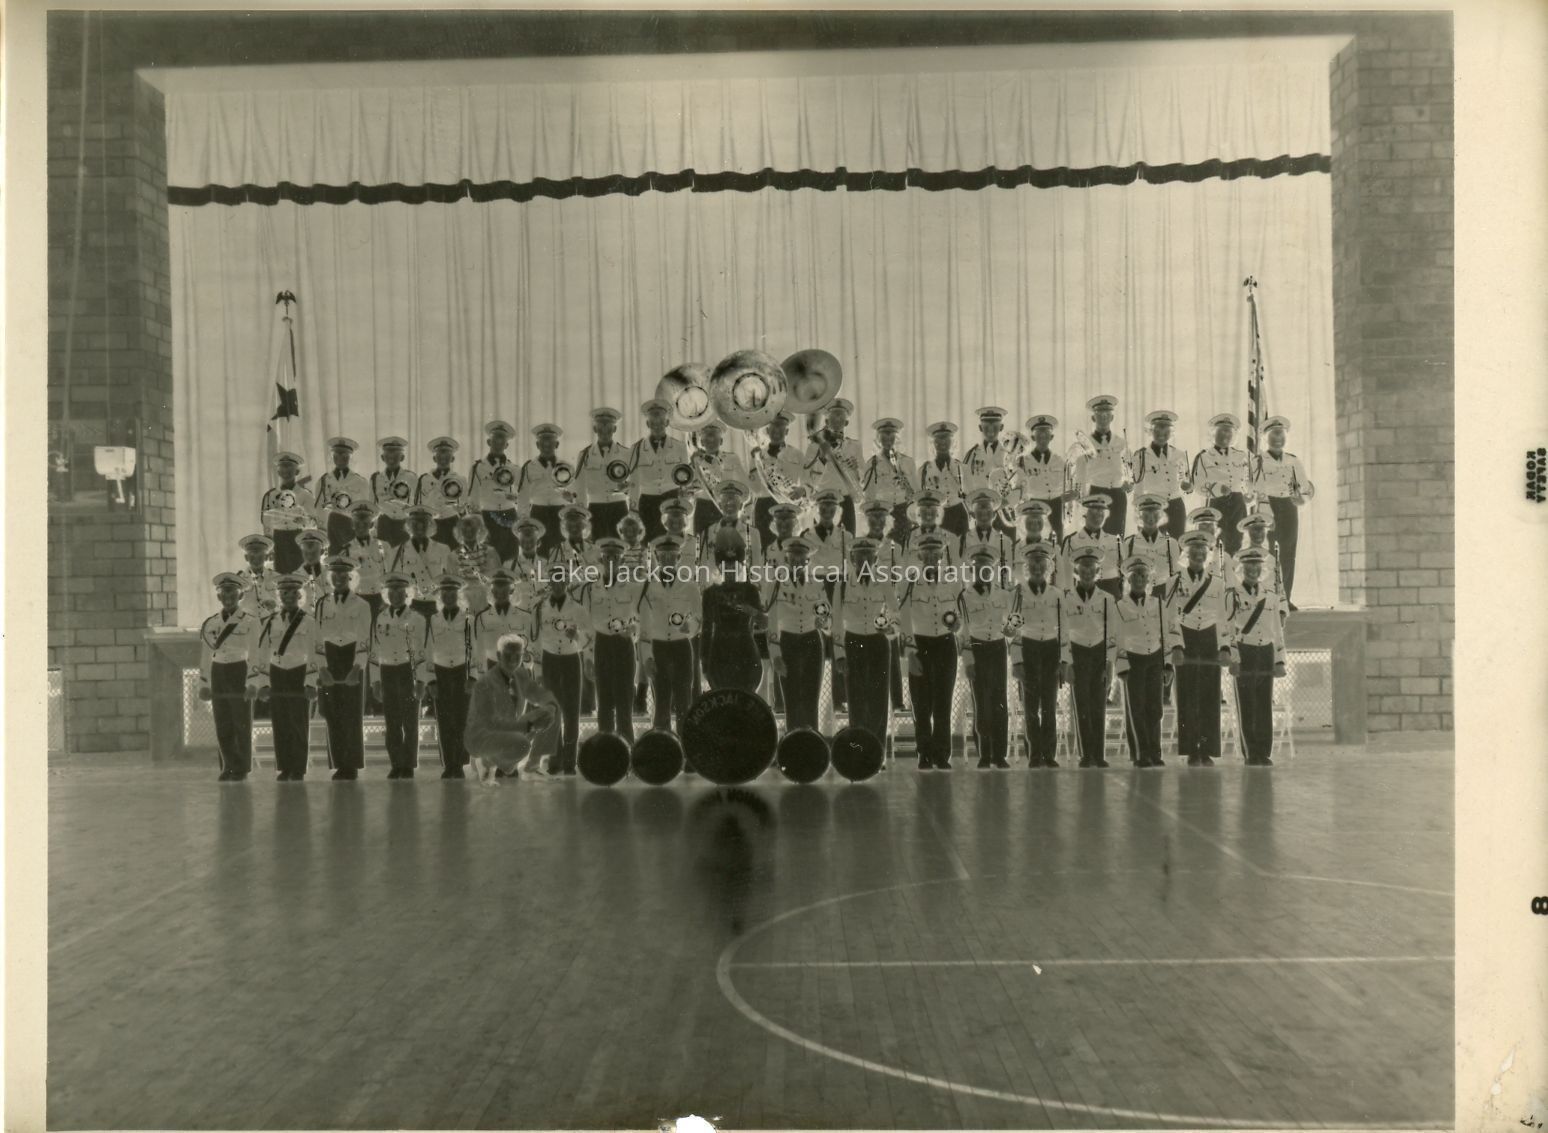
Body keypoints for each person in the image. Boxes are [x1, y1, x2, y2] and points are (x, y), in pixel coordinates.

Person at [1166, 530, 1234, 767]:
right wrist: (1176, 645)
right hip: (1185, 639)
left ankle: (1206, 749)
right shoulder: (1174, 581)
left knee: (1209, 697)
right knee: (1187, 697)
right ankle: (1191, 750)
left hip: (1209, 639)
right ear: (1186, 553)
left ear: (1208, 554)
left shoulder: (1218, 583)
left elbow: (1223, 617)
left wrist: (1224, 646)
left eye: (1202, 551)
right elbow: (1171, 616)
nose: (1198, 554)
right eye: (1193, 550)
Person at [897, 532, 964, 770]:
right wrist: (910, 651)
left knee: (943, 701)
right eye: (926, 553)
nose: (931, 558)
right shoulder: (909, 582)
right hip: (921, 644)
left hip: (945, 644)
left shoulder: (952, 581)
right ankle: (924, 753)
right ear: (919, 555)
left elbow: (960, 614)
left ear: (941, 555)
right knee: (921, 702)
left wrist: (958, 626)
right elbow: (904, 618)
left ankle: (942, 754)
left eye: (936, 553)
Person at [465, 634, 561, 784]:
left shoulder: (520, 675)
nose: (513, 660)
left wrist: (550, 705)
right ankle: (485, 763)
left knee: (551, 712)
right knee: (522, 745)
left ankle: (531, 768)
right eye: (508, 654)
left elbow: (538, 693)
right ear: (498, 655)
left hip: (508, 734)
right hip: (485, 739)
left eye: (518, 655)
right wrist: (530, 726)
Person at [252, 573, 319, 781]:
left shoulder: (309, 622)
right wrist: (263, 684)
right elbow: (263, 654)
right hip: (277, 673)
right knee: (280, 723)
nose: (288, 597)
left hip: (299, 673)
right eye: (284, 593)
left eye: (292, 593)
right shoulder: (270, 622)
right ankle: (284, 767)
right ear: (279, 596)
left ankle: (298, 768)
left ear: (300, 595)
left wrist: (310, 683)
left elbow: (314, 653)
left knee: (298, 723)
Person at [833, 536, 897, 749]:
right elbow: (836, 622)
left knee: (879, 699)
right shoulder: (842, 584)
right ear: (853, 559)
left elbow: (896, 614)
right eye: (860, 557)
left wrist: (890, 628)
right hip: (853, 642)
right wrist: (840, 655)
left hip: (878, 643)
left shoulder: (884, 582)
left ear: (876, 559)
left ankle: (877, 752)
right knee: (856, 699)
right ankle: (859, 750)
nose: (865, 561)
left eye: (869, 557)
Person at [1114, 555, 1179, 768]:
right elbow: (1118, 638)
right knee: (1137, 707)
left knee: (1155, 708)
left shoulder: (1158, 604)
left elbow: (1166, 635)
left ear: (1149, 579)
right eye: (1135, 576)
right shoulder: (1120, 606)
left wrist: (1167, 664)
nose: (1139, 580)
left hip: (1155, 658)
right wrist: (1122, 666)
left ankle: (1155, 752)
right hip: (1133, 659)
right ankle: (1141, 753)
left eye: (1143, 575)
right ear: (1128, 580)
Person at [313, 554, 373, 780]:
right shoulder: (321, 604)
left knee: (351, 714)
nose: (338, 578)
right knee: (332, 713)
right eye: (334, 574)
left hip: (351, 658)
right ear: (329, 577)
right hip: (330, 659)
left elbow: (365, 639)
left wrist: (357, 669)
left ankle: (352, 765)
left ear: (350, 577)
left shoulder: (363, 605)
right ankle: (338, 763)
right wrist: (322, 668)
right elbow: (317, 639)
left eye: (343, 574)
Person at [1226, 547, 1288, 765]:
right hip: (1245, 651)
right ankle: (1251, 752)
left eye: (1256, 565)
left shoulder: (1271, 596)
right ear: (1241, 569)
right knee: (1247, 703)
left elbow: (1277, 631)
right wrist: (1234, 658)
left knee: (1264, 704)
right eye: (1248, 565)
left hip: (1265, 652)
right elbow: (1228, 629)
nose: (1253, 569)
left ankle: (1264, 751)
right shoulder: (1233, 595)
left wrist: (1279, 660)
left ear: (1262, 569)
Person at [199, 572, 261, 781]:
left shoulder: (250, 622)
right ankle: (228, 766)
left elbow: (255, 655)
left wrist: (252, 683)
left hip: (239, 671)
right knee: (223, 722)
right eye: (224, 593)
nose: (228, 598)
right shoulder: (210, 623)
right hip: (218, 672)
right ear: (219, 596)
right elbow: (206, 656)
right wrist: (204, 684)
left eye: (233, 593)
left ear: (240, 595)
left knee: (241, 723)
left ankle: (241, 768)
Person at [1009, 544, 1067, 768]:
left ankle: (1049, 754)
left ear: (1048, 567)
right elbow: (1012, 630)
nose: (1037, 568)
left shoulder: (1057, 594)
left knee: (1050, 705)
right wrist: (1017, 660)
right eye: (1033, 564)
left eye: (1042, 564)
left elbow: (1064, 629)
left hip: (1051, 651)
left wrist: (1063, 660)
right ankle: (1034, 753)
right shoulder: (1018, 593)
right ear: (1026, 567)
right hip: (1029, 650)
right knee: (1031, 707)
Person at [638, 535, 701, 738]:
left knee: (684, 701)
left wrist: (690, 627)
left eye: (671, 556)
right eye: (662, 556)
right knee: (661, 703)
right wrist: (647, 658)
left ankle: (685, 747)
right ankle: (662, 747)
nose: (667, 560)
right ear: (657, 557)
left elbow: (698, 617)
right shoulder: (647, 586)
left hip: (681, 647)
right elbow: (643, 625)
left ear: (678, 557)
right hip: (658, 648)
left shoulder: (689, 585)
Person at [765, 534, 829, 733]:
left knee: (811, 699)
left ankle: (813, 742)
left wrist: (824, 621)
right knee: (791, 700)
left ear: (807, 560)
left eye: (801, 558)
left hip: (812, 641)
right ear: (787, 558)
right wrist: (776, 656)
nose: (797, 562)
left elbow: (826, 612)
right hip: (788, 641)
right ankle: (793, 743)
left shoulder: (816, 583)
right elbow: (772, 623)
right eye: (793, 558)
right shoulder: (776, 584)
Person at [534, 565, 592, 775]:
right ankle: (554, 760)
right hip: (550, 660)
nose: (558, 584)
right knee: (552, 711)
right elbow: (536, 641)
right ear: (550, 582)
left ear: (567, 582)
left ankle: (570, 761)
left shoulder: (577, 609)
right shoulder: (540, 608)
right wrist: (538, 672)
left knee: (571, 711)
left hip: (570, 660)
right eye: (554, 580)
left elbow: (589, 637)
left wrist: (577, 636)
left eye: (561, 580)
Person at [370, 570, 429, 778]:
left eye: (399, 591)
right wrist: (375, 681)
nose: (395, 595)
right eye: (391, 591)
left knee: (410, 721)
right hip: (387, 671)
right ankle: (396, 764)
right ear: (386, 594)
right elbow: (374, 651)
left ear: (407, 593)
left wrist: (421, 680)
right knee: (392, 721)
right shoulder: (380, 617)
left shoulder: (417, 619)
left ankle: (409, 765)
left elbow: (422, 652)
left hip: (408, 671)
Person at [1250, 415, 1313, 609]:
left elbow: (1306, 487)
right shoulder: (1258, 461)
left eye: (1282, 434)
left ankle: (1285, 598)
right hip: (1267, 507)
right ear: (1265, 437)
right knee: (1268, 553)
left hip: (1288, 507)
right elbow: (1253, 488)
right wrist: (1264, 510)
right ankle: (1266, 597)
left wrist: (1303, 499)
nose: (1278, 438)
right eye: (1273, 435)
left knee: (1288, 552)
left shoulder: (1293, 461)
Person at [585, 538, 644, 744]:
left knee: (624, 703)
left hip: (623, 646)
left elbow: (640, 619)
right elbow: (588, 624)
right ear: (601, 559)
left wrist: (633, 632)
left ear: (622, 560)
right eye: (607, 556)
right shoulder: (591, 588)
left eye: (616, 557)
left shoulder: (632, 588)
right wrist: (588, 656)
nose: (611, 560)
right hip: (601, 645)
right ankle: (606, 749)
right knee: (604, 704)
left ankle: (627, 750)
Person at [1064, 546, 1118, 767]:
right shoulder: (1066, 598)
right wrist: (1068, 663)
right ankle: (1086, 754)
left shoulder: (1107, 599)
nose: (1087, 572)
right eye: (1083, 568)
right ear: (1076, 571)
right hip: (1077, 655)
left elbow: (1112, 634)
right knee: (1082, 704)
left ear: (1098, 572)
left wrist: (1109, 663)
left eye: (1091, 568)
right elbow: (1063, 634)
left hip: (1099, 654)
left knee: (1098, 705)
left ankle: (1099, 754)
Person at [961, 543, 1013, 769]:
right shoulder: (965, 596)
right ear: (972, 570)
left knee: (1000, 701)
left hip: (998, 648)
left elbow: (1012, 623)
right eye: (978, 567)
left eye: (987, 568)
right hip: (977, 648)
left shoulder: (1004, 594)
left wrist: (1011, 631)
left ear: (993, 570)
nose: (983, 571)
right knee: (981, 701)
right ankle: (984, 753)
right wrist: (968, 660)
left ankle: (999, 755)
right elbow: (963, 631)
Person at [700, 533, 764, 693]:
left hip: (746, 654)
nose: (729, 570)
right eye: (725, 566)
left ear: (740, 566)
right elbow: (706, 629)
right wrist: (705, 662)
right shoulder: (710, 593)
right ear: (719, 567)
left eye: (734, 566)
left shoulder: (751, 591)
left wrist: (753, 611)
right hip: (719, 655)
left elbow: (764, 623)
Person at [426, 574, 474, 779]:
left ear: (458, 595)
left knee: (462, 718)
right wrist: (431, 680)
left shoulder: (468, 619)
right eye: (444, 593)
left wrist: (472, 677)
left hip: (462, 671)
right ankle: (449, 764)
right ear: (440, 596)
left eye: (452, 593)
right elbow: (428, 650)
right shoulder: (433, 620)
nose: (448, 596)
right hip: (441, 672)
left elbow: (474, 649)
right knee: (445, 719)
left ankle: (460, 763)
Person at [629, 399, 690, 541]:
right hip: (647, 501)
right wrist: (633, 508)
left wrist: (684, 502)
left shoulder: (679, 447)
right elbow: (634, 481)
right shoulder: (637, 449)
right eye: (653, 422)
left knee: (673, 541)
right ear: (648, 424)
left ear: (667, 423)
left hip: (672, 499)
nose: (657, 426)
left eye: (661, 422)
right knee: (648, 541)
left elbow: (685, 480)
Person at [1191, 413, 1251, 554]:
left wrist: (1249, 495)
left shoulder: (1242, 456)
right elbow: (1197, 484)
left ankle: (1232, 568)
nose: (1226, 435)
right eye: (1222, 431)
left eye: (1229, 432)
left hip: (1238, 504)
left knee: (1237, 543)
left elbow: (1250, 481)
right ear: (1214, 433)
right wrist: (1217, 488)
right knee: (1217, 544)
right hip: (1216, 503)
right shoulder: (1204, 457)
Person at [749, 411, 808, 551]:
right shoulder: (757, 455)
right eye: (773, 428)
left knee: (789, 550)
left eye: (781, 428)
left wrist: (802, 490)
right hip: (764, 506)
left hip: (787, 506)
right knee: (764, 549)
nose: (777, 431)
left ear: (787, 431)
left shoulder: (797, 455)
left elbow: (807, 481)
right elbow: (755, 488)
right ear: (767, 431)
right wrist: (757, 461)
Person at [1072, 395, 1131, 536]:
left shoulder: (1121, 443)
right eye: (1100, 414)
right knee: (1095, 536)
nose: (1104, 417)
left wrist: (1129, 483)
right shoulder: (1085, 444)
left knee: (1117, 538)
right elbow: (1080, 475)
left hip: (1118, 495)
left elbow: (1129, 469)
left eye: (1107, 414)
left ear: (1112, 418)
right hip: (1096, 494)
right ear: (1093, 418)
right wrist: (1082, 500)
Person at [803, 397, 862, 532]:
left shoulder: (855, 445)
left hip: (846, 501)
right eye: (833, 416)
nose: (837, 419)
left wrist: (856, 468)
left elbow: (864, 477)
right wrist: (822, 458)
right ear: (826, 421)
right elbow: (807, 477)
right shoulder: (814, 445)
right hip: (823, 501)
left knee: (848, 541)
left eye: (841, 416)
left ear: (846, 422)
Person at [1130, 410, 1193, 539]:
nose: (1161, 434)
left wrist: (1188, 488)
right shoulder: (1141, 456)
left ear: (1172, 432)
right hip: (1153, 507)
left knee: (1177, 544)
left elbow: (1187, 485)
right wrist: (1139, 515)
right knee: (1153, 544)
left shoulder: (1180, 455)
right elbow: (1138, 489)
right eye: (1157, 430)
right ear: (1150, 431)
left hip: (1176, 506)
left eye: (1166, 431)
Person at [1016, 414, 1076, 541]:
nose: (1043, 437)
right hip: (1035, 508)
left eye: (1046, 434)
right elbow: (1019, 489)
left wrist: (1071, 495)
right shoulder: (1023, 462)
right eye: (1039, 434)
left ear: (1051, 437)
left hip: (1057, 507)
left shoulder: (1060, 461)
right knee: (1036, 543)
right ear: (1033, 437)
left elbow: (1068, 485)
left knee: (1057, 543)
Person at [575, 407, 631, 540]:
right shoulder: (585, 455)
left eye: (608, 428)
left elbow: (635, 482)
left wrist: (627, 488)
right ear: (595, 429)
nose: (604, 431)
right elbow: (580, 488)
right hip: (595, 508)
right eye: (600, 427)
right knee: (596, 546)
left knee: (620, 545)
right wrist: (583, 517)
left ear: (614, 429)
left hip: (619, 507)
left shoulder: (626, 453)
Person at [467, 419, 519, 560]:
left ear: (506, 445)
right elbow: (473, 497)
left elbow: (523, 495)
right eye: (495, 439)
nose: (498, 443)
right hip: (487, 517)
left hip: (509, 516)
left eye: (502, 441)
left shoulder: (514, 468)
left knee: (510, 558)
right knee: (488, 560)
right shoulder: (478, 467)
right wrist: (478, 523)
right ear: (489, 442)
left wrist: (513, 497)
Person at [860, 417, 917, 543]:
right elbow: (869, 495)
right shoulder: (872, 464)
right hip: (883, 513)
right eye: (884, 436)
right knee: (885, 549)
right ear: (878, 439)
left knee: (904, 548)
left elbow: (916, 492)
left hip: (904, 512)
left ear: (897, 438)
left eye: (892, 436)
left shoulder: (908, 462)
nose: (888, 440)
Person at [516, 423, 570, 553]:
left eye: (550, 441)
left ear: (556, 444)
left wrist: (570, 498)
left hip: (559, 512)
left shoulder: (566, 466)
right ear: (537, 445)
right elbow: (523, 495)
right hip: (538, 512)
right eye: (543, 441)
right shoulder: (529, 467)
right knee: (540, 551)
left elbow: (573, 493)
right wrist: (524, 519)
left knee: (560, 551)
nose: (547, 445)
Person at [389, 506, 452, 619]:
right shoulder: (398, 551)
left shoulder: (443, 549)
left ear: (430, 525)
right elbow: (395, 583)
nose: (420, 527)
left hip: (437, 606)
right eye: (415, 523)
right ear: (409, 525)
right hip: (410, 606)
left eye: (424, 523)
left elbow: (450, 581)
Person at [688, 421, 749, 536]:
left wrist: (741, 509)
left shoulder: (732, 459)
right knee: (702, 543)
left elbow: (745, 485)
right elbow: (689, 489)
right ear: (702, 442)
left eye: (715, 437)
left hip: (727, 506)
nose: (711, 440)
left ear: (721, 441)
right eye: (707, 437)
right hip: (702, 507)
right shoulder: (695, 461)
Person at [314, 437, 370, 554]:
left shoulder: (360, 482)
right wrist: (322, 534)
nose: (340, 459)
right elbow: (319, 509)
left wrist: (363, 534)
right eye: (337, 455)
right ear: (333, 457)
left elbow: (366, 509)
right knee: (334, 562)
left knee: (353, 560)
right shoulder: (324, 481)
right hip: (331, 531)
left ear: (350, 457)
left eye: (345, 455)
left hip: (352, 529)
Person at [1061, 495, 1123, 598]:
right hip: (1084, 591)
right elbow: (1066, 575)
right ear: (1084, 513)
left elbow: (1124, 572)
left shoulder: (1115, 540)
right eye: (1094, 510)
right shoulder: (1072, 541)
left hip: (1112, 591)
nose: (1099, 514)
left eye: (1101, 511)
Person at [1121, 494, 1181, 597]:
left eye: (1155, 513)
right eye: (1146, 513)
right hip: (1138, 594)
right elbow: (1124, 576)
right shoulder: (1129, 543)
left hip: (1164, 594)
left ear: (1161, 515)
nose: (1151, 517)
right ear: (1139, 515)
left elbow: (1176, 577)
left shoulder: (1171, 544)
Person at [260, 451, 312, 572]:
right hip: (278, 540)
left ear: (297, 471)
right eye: (282, 467)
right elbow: (267, 526)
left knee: (299, 575)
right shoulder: (270, 495)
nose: (286, 471)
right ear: (278, 472)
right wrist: (269, 548)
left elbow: (314, 521)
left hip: (298, 539)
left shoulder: (306, 495)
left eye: (290, 467)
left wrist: (304, 522)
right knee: (280, 576)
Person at [473, 568, 530, 671]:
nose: (500, 594)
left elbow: (530, 652)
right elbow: (480, 650)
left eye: (504, 590)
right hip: (492, 668)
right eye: (496, 590)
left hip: (517, 669)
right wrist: (483, 675)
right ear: (492, 591)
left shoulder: (525, 617)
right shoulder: (482, 618)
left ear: (511, 590)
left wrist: (528, 661)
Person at [1235, 513, 1289, 623]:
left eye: (1262, 531)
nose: (1259, 534)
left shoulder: (1272, 560)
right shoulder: (1237, 559)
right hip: (1245, 611)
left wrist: (1282, 611)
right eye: (1255, 531)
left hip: (1269, 612)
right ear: (1248, 533)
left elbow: (1280, 589)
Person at [918, 421, 969, 537]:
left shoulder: (962, 468)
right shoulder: (924, 470)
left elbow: (969, 496)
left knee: (961, 547)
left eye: (946, 439)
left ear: (952, 442)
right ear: (933, 443)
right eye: (939, 440)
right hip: (936, 515)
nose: (943, 443)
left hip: (959, 515)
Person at [962, 406, 1018, 509]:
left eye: (995, 425)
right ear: (980, 427)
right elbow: (965, 484)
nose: (990, 430)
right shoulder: (972, 454)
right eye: (986, 426)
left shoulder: (1010, 455)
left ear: (1001, 427)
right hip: (980, 509)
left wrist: (1006, 503)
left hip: (1003, 509)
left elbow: (1019, 486)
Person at [416, 436, 465, 547]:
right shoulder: (424, 479)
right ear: (434, 458)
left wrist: (461, 511)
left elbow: (465, 509)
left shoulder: (460, 480)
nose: (443, 458)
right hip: (430, 524)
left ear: (452, 459)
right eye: (440, 454)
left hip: (452, 524)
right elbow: (418, 506)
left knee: (453, 555)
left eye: (447, 455)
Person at [342, 501, 388, 617]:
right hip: (357, 599)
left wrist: (386, 600)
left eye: (365, 522)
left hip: (379, 599)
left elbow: (389, 573)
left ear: (371, 525)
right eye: (357, 522)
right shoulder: (346, 550)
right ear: (352, 524)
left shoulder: (383, 546)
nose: (361, 525)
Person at [369, 436, 417, 547]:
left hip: (404, 524)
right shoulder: (376, 478)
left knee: (404, 555)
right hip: (383, 524)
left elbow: (415, 505)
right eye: (388, 454)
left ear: (402, 457)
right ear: (382, 457)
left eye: (396, 454)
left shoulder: (411, 477)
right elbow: (372, 505)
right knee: (384, 556)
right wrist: (373, 528)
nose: (391, 457)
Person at [451, 511, 503, 615]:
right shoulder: (453, 556)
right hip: (464, 604)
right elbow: (452, 585)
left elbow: (499, 580)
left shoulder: (491, 552)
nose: (468, 531)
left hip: (487, 601)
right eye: (464, 528)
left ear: (479, 530)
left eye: (472, 527)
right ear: (459, 531)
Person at [959, 488, 1017, 573]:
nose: (984, 512)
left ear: (994, 514)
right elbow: (962, 568)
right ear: (973, 515)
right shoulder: (964, 539)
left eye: (988, 508)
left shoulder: (1005, 541)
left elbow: (1009, 571)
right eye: (979, 509)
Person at [903, 490, 959, 572]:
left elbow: (953, 562)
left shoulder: (948, 534)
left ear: (938, 513)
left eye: (932, 510)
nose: (928, 514)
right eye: (924, 510)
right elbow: (907, 562)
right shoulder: (910, 535)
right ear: (918, 513)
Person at [1014, 500, 1061, 587]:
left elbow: (1060, 581)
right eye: (1030, 521)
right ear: (1023, 523)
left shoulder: (1054, 549)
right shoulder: (1014, 549)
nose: (1035, 523)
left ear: (1044, 523)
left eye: (1039, 520)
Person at [236, 534, 279, 619]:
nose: (256, 558)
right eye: (252, 554)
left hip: (271, 622)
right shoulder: (238, 580)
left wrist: (275, 606)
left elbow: (285, 604)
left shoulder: (276, 578)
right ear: (246, 557)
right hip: (247, 623)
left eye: (260, 554)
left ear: (266, 557)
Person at [294, 529, 329, 609]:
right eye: (306, 552)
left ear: (321, 552)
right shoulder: (294, 578)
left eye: (313, 552)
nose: (309, 556)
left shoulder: (331, 575)